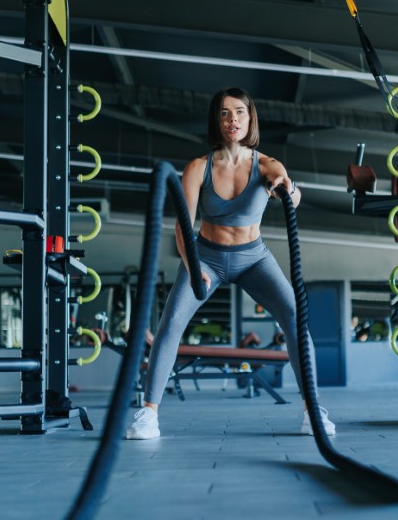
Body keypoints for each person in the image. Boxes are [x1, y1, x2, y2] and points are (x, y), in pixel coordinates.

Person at [125, 87, 335, 440]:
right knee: (171, 322)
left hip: (254, 258)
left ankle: (312, 410)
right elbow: (182, 227)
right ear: (217, 121)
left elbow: (292, 197)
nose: (232, 119)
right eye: (224, 113)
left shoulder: (267, 164)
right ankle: (148, 413)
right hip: (205, 257)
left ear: (250, 118)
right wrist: (194, 272)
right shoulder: (198, 168)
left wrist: (287, 187)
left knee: (296, 317)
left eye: (239, 112)